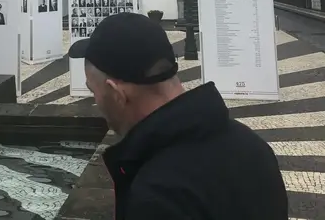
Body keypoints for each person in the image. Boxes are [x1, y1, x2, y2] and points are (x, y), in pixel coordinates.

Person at [69, 13, 288, 220]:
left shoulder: (156, 197)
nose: (96, 101)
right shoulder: (252, 145)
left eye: (93, 90)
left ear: (117, 94)